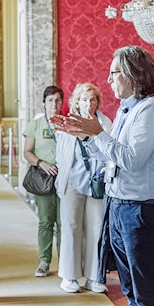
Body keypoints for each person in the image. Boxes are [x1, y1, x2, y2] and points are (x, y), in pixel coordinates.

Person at [51, 46, 154, 306]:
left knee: (147, 293)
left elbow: (132, 160)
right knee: (131, 291)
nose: (109, 80)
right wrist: (89, 134)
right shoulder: (125, 109)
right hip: (120, 205)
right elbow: (112, 154)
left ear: (135, 75)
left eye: (115, 73)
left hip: (141, 209)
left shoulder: (151, 110)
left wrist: (96, 133)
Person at [52, 82, 112, 293]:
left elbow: (108, 154)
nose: (89, 103)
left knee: (96, 229)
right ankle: (69, 276)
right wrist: (60, 183)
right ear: (77, 102)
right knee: (71, 227)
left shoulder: (105, 123)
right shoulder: (68, 123)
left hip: (97, 183)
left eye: (93, 99)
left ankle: (95, 276)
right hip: (73, 181)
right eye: (85, 99)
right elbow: (61, 156)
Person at [22, 85, 64, 277]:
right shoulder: (36, 125)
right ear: (44, 103)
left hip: (65, 179)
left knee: (64, 222)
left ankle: (65, 262)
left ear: (62, 102)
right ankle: (44, 261)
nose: (54, 104)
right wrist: (42, 163)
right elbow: (27, 152)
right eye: (50, 100)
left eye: (57, 100)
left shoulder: (67, 123)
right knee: (46, 221)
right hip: (44, 179)